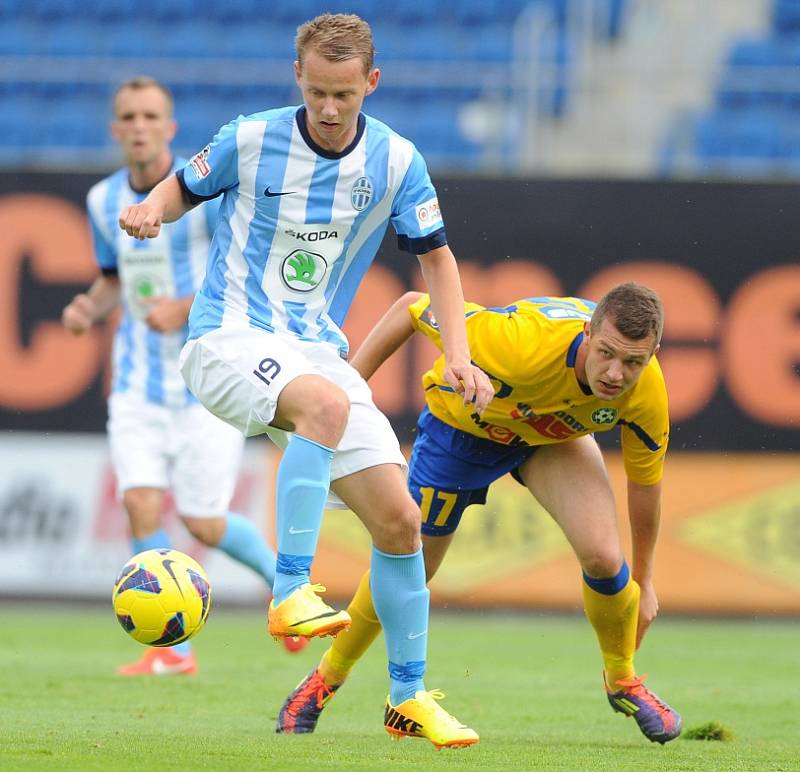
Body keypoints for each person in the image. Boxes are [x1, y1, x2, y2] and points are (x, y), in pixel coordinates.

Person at [118, 15, 493, 748]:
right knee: (322, 403)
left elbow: (438, 260)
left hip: (314, 350)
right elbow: (182, 187)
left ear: (371, 85)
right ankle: (290, 587)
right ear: (298, 76)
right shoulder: (251, 139)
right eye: (317, 91)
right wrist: (147, 213)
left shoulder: (395, 161)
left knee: (400, 521)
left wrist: (459, 351)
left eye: (344, 96)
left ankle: (407, 699)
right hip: (226, 337)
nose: (328, 108)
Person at [277, 282, 683, 745]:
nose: (616, 374)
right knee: (411, 567)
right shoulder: (515, 343)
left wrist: (646, 583)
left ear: (653, 354)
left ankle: (622, 678)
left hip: (549, 440)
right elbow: (412, 307)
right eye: (607, 353)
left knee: (606, 560)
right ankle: (324, 680)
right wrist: (346, 394)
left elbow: (646, 486)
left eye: (634, 361)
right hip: (462, 430)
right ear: (588, 333)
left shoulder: (647, 392)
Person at [63, 76, 306, 676]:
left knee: (203, 520)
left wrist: (189, 302)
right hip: (136, 386)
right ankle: (172, 652)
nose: (139, 126)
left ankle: (292, 596)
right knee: (140, 505)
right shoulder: (101, 201)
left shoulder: (204, 197)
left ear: (170, 129)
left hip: (206, 384)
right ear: (116, 129)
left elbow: (249, 265)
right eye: (129, 116)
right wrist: (87, 308)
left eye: (151, 116)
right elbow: (114, 278)